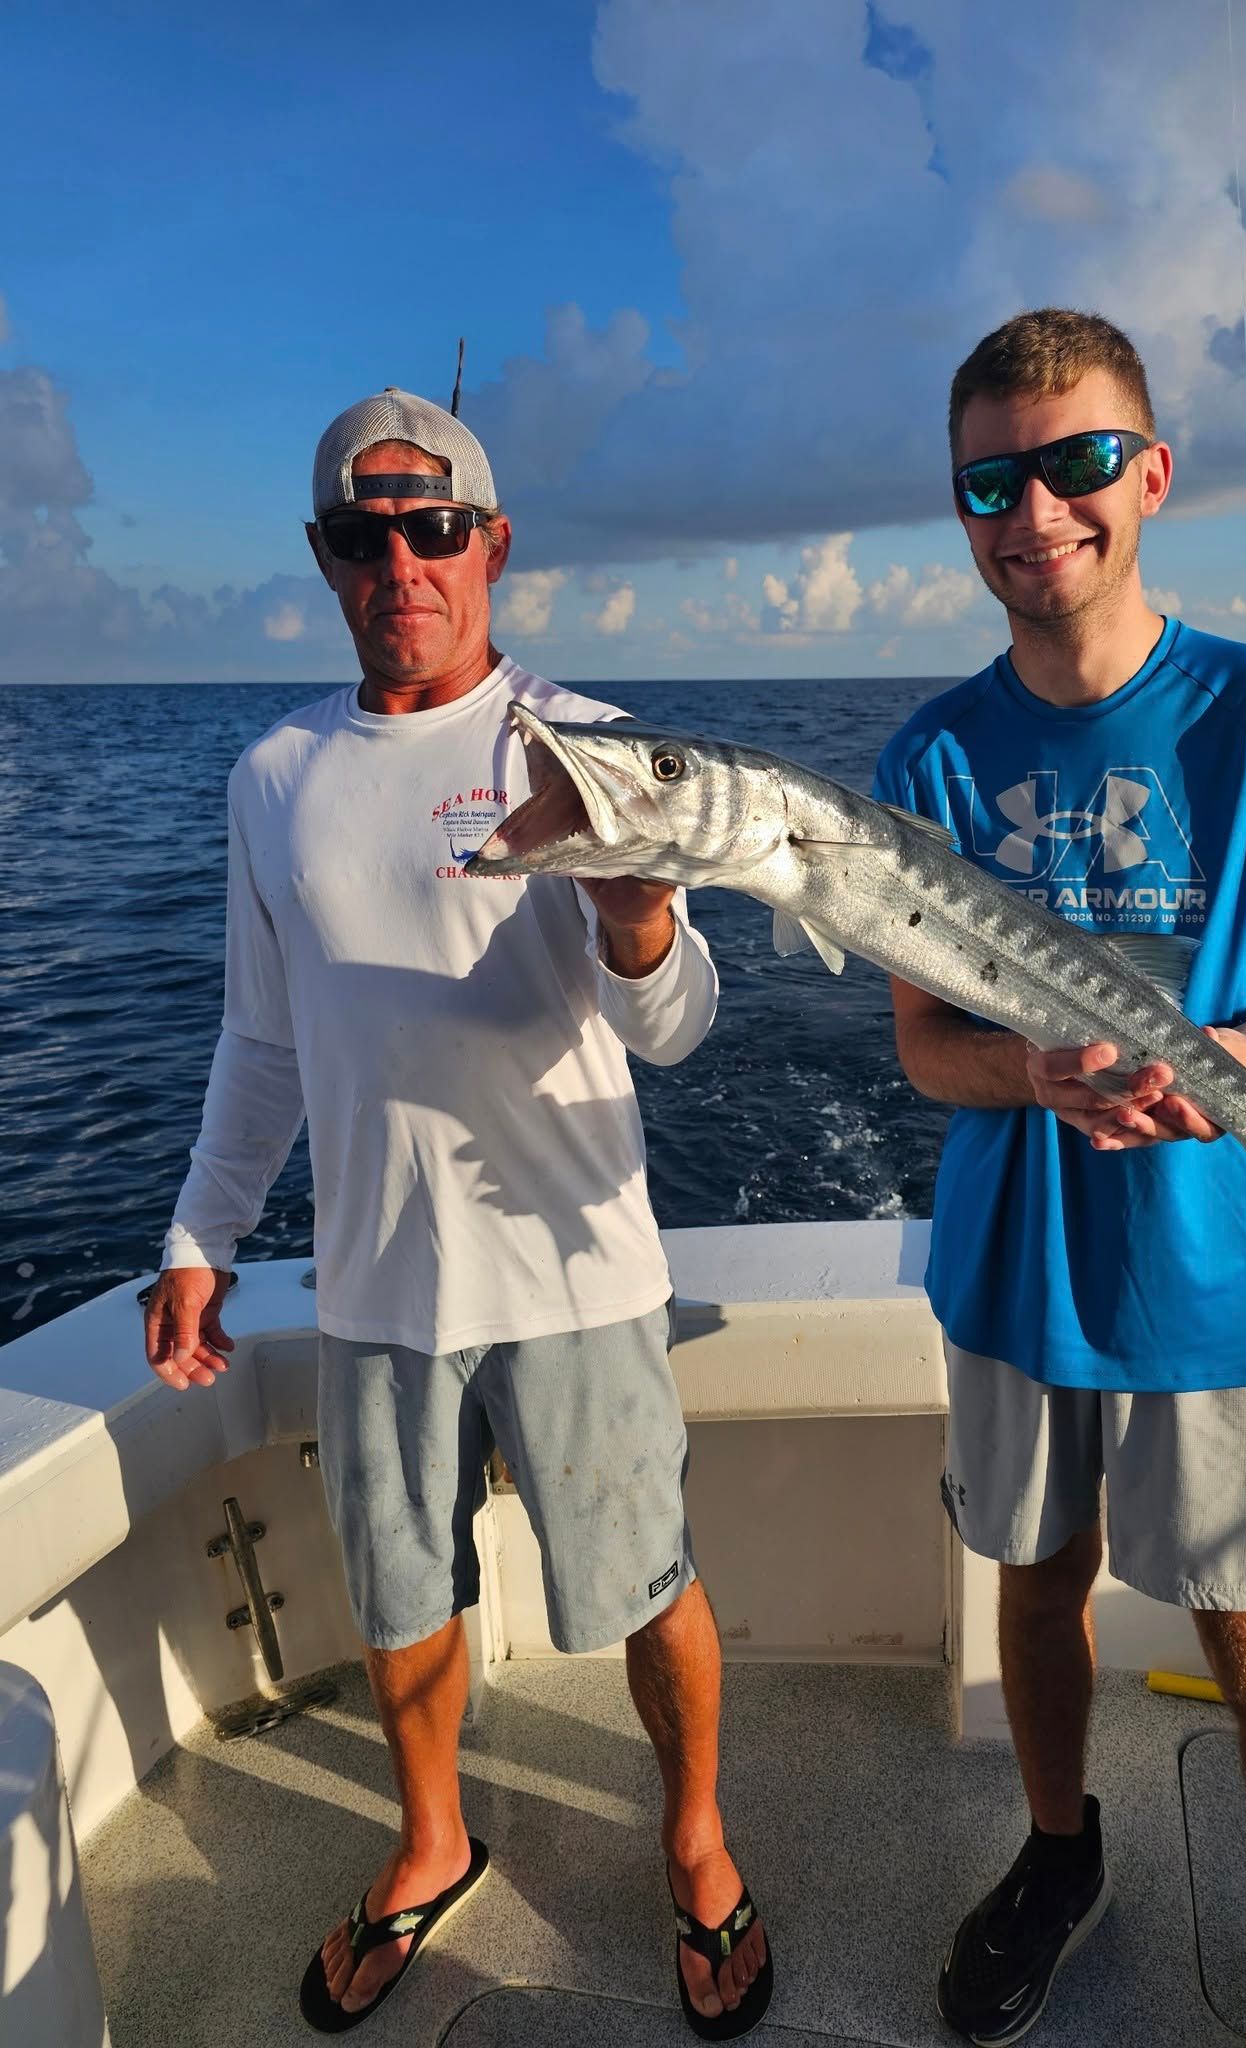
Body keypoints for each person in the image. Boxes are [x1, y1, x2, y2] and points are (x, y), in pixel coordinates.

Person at [142, 389, 772, 2039]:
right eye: (365, 535)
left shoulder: (589, 745)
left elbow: (680, 1024)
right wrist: (202, 1235)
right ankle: (432, 1844)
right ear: (325, 558)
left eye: (435, 529)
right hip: (373, 1282)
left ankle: (697, 1844)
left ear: (493, 543)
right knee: (402, 1593)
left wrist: (639, 927)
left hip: (574, 1267)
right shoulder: (273, 774)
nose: (401, 562)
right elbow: (261, 1039)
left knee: (645, 1581)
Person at [874, 310, 1246, 2048]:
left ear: (1149, 474)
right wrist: (1028, 1072)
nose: (1039, 507)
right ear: (963, 512)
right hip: (1017, 1271)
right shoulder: (930, 761)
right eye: (991, 478)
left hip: (1227, 1274)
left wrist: (1243, 1063)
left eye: (1079, 459)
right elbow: (924, 1048)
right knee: (1032, 1581)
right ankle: (1057, 1849)